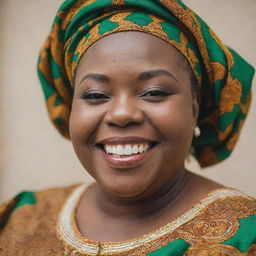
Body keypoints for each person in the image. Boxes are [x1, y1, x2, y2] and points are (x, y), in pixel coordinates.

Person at [0, 0, 255, 255]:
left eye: (154, 92)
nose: (121, 114)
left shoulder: (245, 238)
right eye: (95, 95)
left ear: (194, 108)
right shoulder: (18, 219)